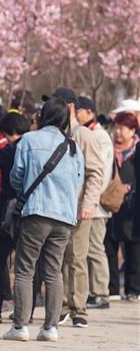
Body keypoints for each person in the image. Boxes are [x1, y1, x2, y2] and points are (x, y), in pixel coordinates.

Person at [4, 98, 84, 342]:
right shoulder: (73, 147)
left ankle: (20, 326)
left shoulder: (29, 140)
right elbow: (78, 182)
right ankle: (51, 327)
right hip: (64, 216)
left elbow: (16, 176)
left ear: (44, 116)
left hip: (37, 212)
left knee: (25, 269)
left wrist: (25, 190)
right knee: (54, 271)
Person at [47, 89, 105, 329]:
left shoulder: (84, 136)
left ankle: (78, 308)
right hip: (54, 206)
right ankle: (58, 307)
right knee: (55, 260)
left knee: (77, 259)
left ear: (70, 106)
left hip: (79, 208)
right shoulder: (49, 135)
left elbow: (95, 173)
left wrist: (89, 204)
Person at [0, 112, 31, 322]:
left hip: (8, 212)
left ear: (10, 133)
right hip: (33, 211)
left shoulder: (10, 150)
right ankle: (26, 312)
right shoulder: (35, 149)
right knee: (30, 263)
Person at [76, 96, 115, 309]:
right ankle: (93, 291)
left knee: (95, 247)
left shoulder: (100, 137)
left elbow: (102, 172)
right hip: (90, 203)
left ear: (89, 112)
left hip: (96, 205)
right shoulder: (91, 134)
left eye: (79, 111)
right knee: (89, 248)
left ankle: (101, 292)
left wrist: (91, 200)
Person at [105, 112, 139, 301]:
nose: (117, 132)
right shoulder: (108, 149)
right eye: (116, 127)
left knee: (133, 247)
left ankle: (133, 289)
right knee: (109, 244)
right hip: (110, 203)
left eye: (122, 128)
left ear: (132, 130)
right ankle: (112, 289)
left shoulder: (137, 150)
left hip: (131, 205)